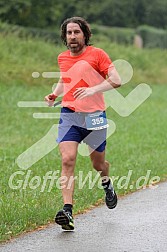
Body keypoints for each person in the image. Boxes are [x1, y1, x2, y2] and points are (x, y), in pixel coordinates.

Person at [45, 16, 121, 231]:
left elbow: (117, 79)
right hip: (69, 114)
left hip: (95, 116)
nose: (72, 36)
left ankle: (107, 184)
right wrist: (54, 94)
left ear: (85, 34)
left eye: (76, 32)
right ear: (64, 37)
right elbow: (64, 79)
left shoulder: (97, 54)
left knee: (98, 164)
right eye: (69, 33)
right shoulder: (62, 58)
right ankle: (67, 211)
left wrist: (93, 89)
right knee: (68, 159)